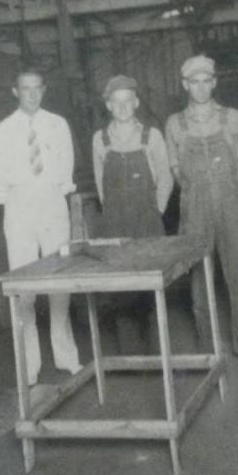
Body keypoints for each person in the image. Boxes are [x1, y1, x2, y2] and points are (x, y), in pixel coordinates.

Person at [165, 55, 238, 362]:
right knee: (199, 279)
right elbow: (175, 170)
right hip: (195, 205)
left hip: (229, 201)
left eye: (206, 81)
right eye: (194, 82)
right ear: (186, 85)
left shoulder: (232, 118)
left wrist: (229, 190)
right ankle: (210, 347)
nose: (201, 88)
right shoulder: (175, 123)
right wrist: (198, 192)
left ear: (214, 82)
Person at [0, 67, 82, 386]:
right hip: (19, 206)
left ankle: (66, 356)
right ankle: (29, 366)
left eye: (36, 88)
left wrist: (57, 190)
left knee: (60, 280)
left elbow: (66, 166)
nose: (31, 94)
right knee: (24, 285)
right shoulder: (1, 131)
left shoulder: (58, 125)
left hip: (53, 202)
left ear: (44, 90)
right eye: (24, 88)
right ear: (15, 91)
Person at [92, 75, 173, 352]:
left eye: (128, 101)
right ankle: (130, 357)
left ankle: (158, 354)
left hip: (147, 221)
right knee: (121, 291)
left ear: (136, 103)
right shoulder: (100, 140)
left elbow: (165, 179)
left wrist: (156, 212)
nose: (123, 107)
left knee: (151, 292)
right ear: (109, 106)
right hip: (115, 224)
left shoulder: (151, 136)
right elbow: (101, 183)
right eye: (117, 102)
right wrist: (114, 214)